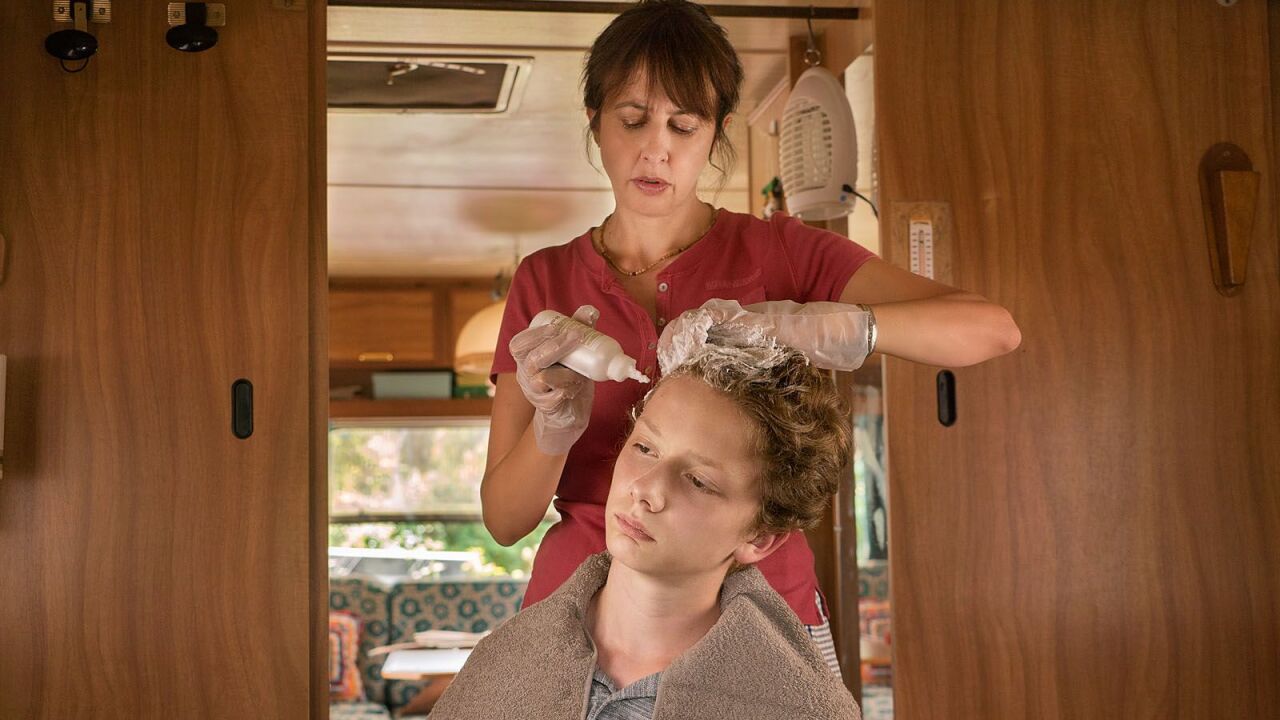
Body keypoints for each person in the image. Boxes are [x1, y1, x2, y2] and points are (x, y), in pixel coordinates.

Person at [483, 0, 1022, 665]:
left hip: (758, 610)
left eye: (685, 125)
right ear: (595, 120)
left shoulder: (781, 253)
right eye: (633, 119)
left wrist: (822, 328)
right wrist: (553, 428)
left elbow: (991, 331)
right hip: (583, 621)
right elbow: (504, 520)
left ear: (718, 132)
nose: (657, 149)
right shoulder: (545, 281)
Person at [434, 339, 861, 720]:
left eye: (698, 481)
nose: (645, 489)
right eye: (644, 448)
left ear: (760, 538)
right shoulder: (504, 662)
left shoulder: (802, 708)